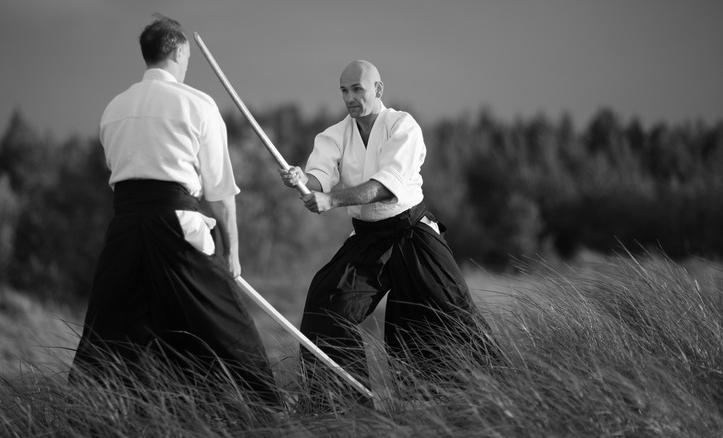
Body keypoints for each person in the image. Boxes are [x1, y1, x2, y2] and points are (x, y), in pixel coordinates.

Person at [71, 15, 280, 407]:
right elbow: (220, 190)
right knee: (227, 321)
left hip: (125, 228)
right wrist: (232, 254)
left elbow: (119, 173)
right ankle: (271, 412)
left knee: (109, 328)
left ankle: (86, 413)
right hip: (177, 223)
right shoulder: (197, 104)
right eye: (186, 56)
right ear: (180, 52)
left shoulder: (113, 108)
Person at [280, 60, 501, 406]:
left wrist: (331, 200)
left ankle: (497, 397)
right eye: (343, 91)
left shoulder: (403, 127)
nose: (349, 98)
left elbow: (385, 187)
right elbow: (318, 179)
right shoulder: (334, 135)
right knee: (327, 305)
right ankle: (345, 410)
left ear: (378, 90)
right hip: (368, 239)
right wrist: (301, 181)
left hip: (413, 233)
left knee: (453, 314)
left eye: (357, 89)